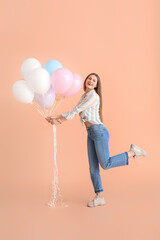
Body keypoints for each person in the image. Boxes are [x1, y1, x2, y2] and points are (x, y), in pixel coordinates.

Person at [46, 73, 147, 207]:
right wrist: (55, 118)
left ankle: (132, 152)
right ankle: (99, 197)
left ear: (96, 85)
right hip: (91, 133)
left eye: (94, 80)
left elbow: (77, 110)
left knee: (105, 164)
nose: (91, 81)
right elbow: (74, 111)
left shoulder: (94, 96)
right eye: (89, 79)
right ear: (86, 81)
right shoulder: (84, 96)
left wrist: (58, 120)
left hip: (99, 132)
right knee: (93, 168)